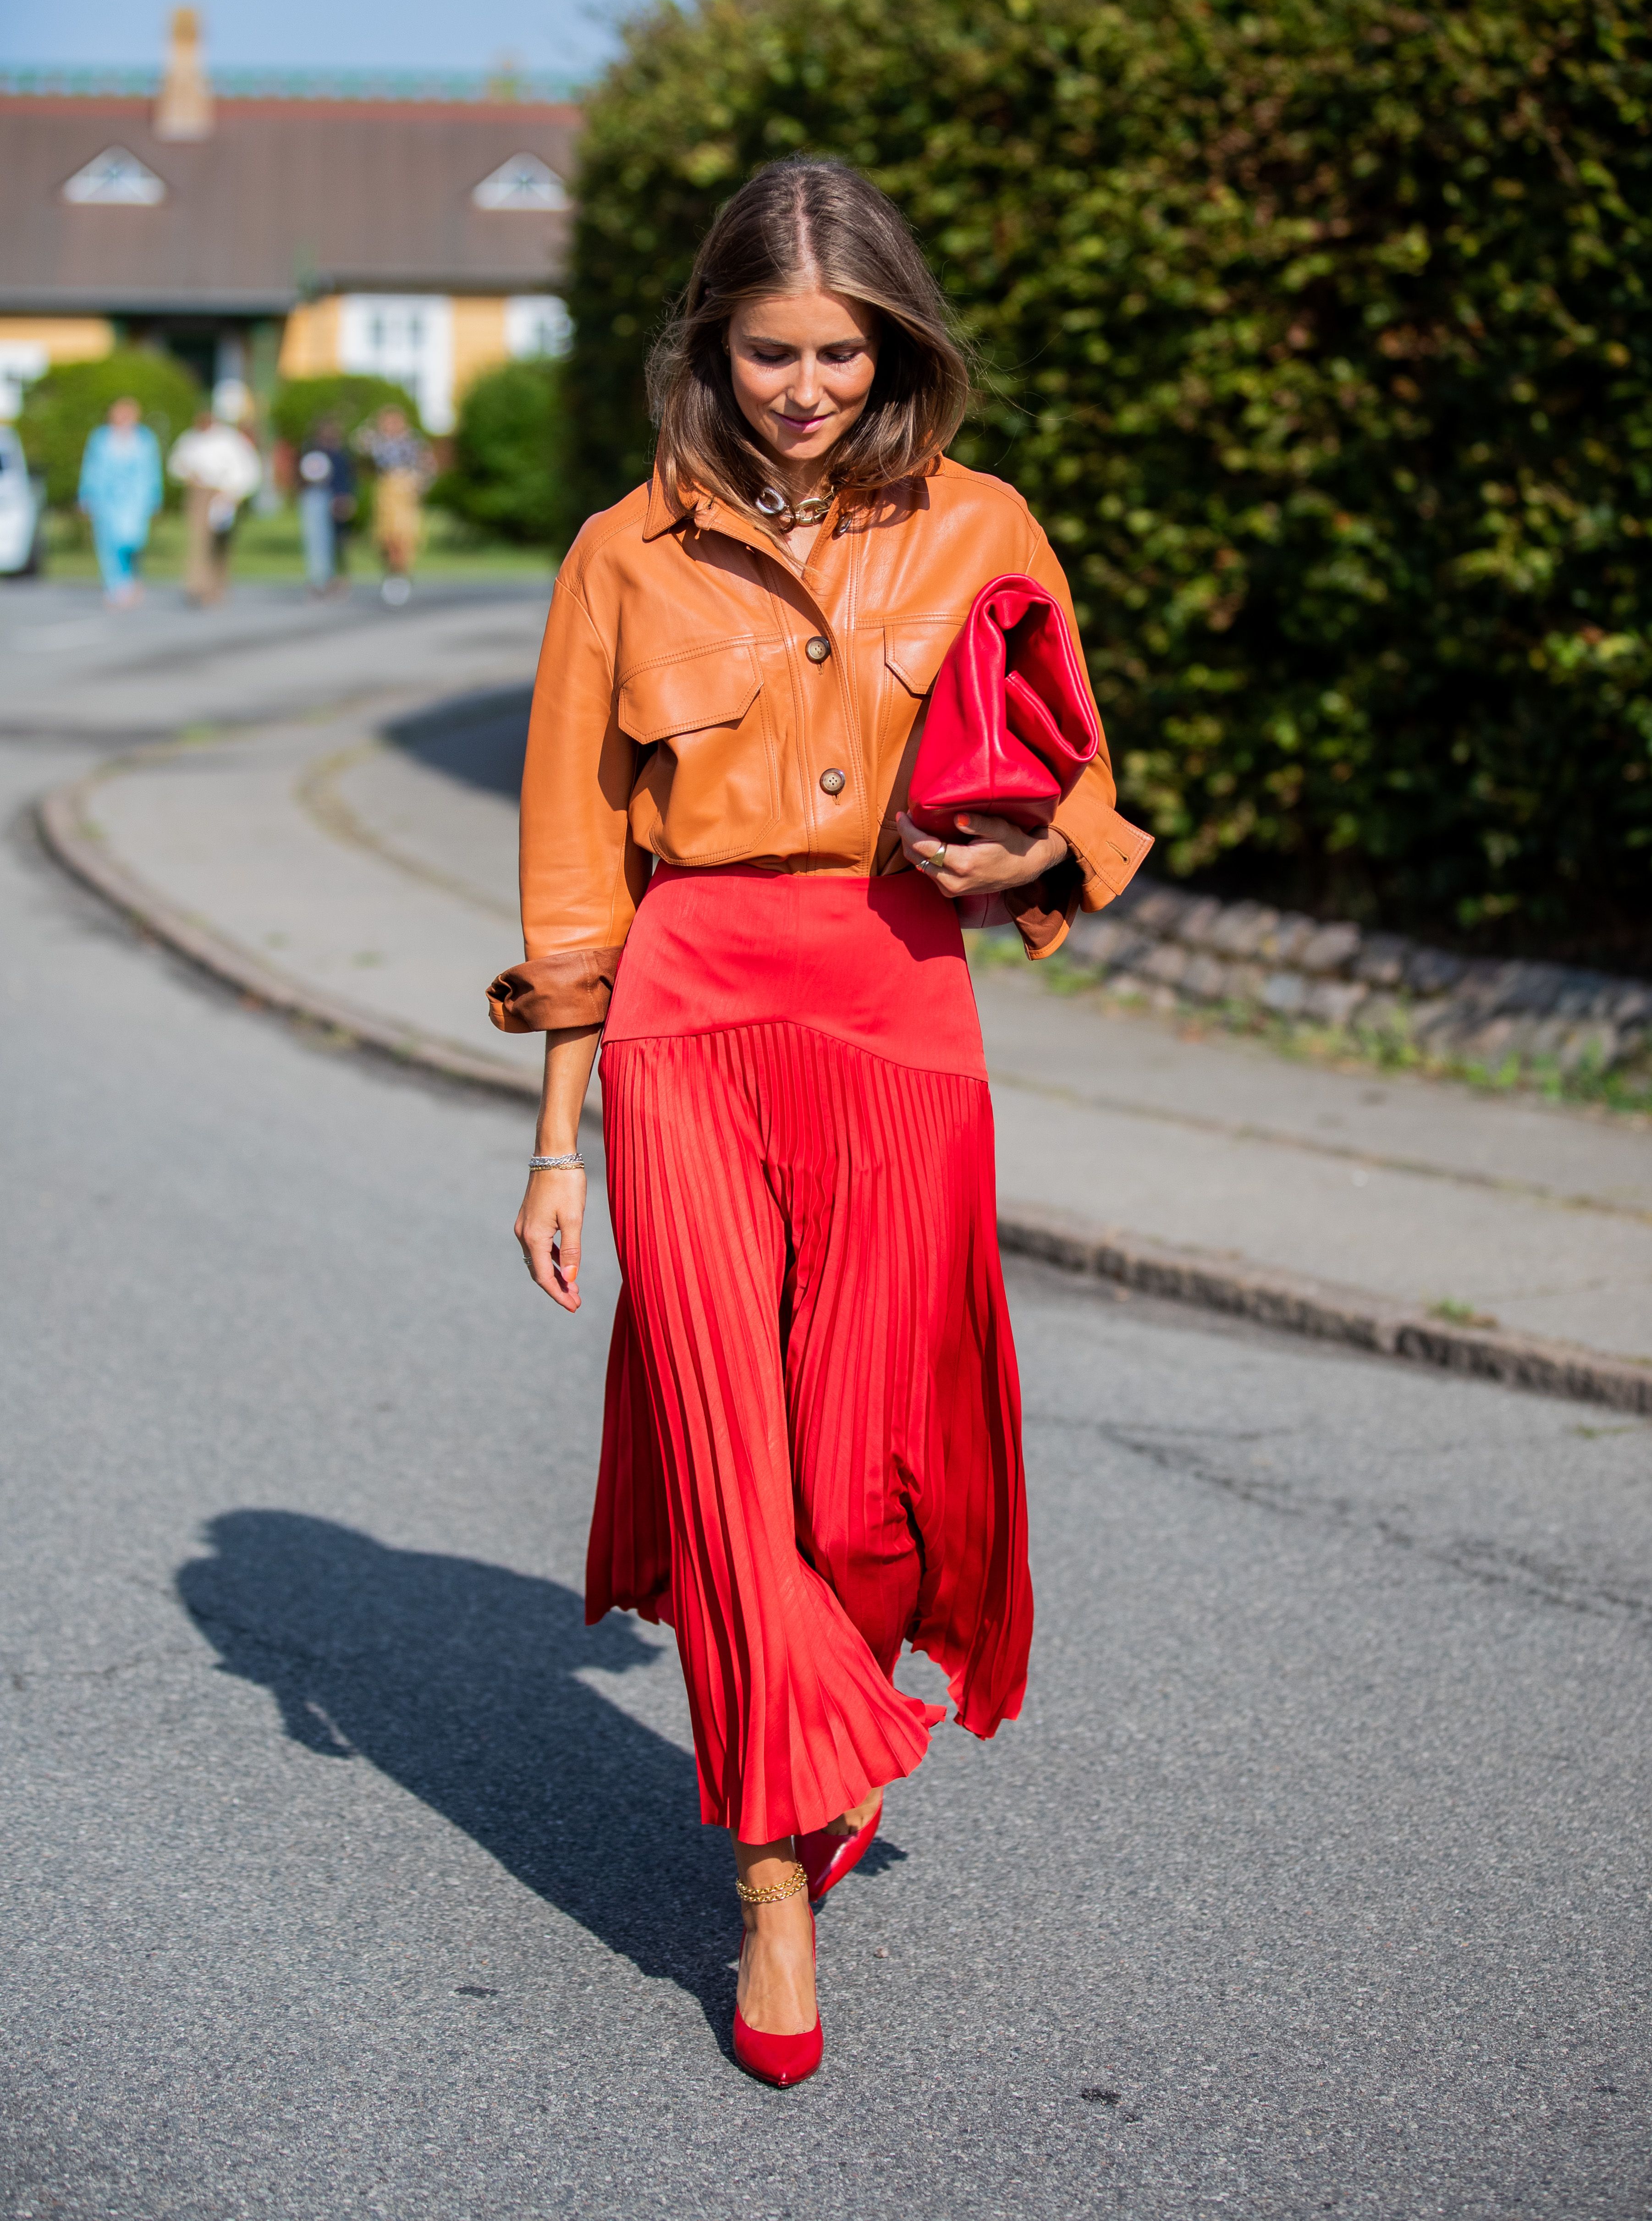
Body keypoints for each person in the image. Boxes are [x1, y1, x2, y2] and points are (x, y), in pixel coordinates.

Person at [490, 159, 1147, 2088]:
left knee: (859, 1477)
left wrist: (1025, 842)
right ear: (710, 346)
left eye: (839, 351)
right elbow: (567, 864)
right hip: (687, 1022)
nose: (802, 387)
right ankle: (770, 1877)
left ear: (894, 344)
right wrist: (552, 1135)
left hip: (895, 1005)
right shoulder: (622, 552)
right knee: (729, 1452)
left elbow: (1083, 791)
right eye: (767, 351)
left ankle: (826, 1707)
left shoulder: (980, 524)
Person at [168, 409, 261, 606]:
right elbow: (176, 465)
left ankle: (218, 586)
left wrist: (234, 493)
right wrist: (188, 474)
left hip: (224, 494)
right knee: (199, 541)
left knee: (221, 543)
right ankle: (197, 586)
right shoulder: (190, 439)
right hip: (199, 493)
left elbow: (248, 470)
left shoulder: (230, 440)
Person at [77, 396, 163, 607]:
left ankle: (132, 579)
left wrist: (155, 498)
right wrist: (85, 495)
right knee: (108, 544)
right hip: (106, 500)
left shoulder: (145, 439)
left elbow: (152, 471)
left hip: (135, 501)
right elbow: (91, 468)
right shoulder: (100, 438)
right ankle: (116, 587)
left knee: (132, 542)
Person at [357, 406, 432, 605]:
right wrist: (372, 428)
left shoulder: (413, 441)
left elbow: (427, 467)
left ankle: (401, 577)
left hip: (405, 492)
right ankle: (391, 573)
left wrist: (419, 484)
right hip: (385, 493)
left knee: (404, 538)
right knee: (386, 538)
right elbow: (360, 443)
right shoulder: (379, 442)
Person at [295, 418, 357, 594]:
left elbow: (346, 479)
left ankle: (336, 578)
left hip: (335, 500)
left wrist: (345, 498)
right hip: (315, 498)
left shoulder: (340, 455)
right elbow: (303, 474)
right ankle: (319, 580)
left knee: (338, 541)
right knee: (316, 540)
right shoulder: (311, 451)